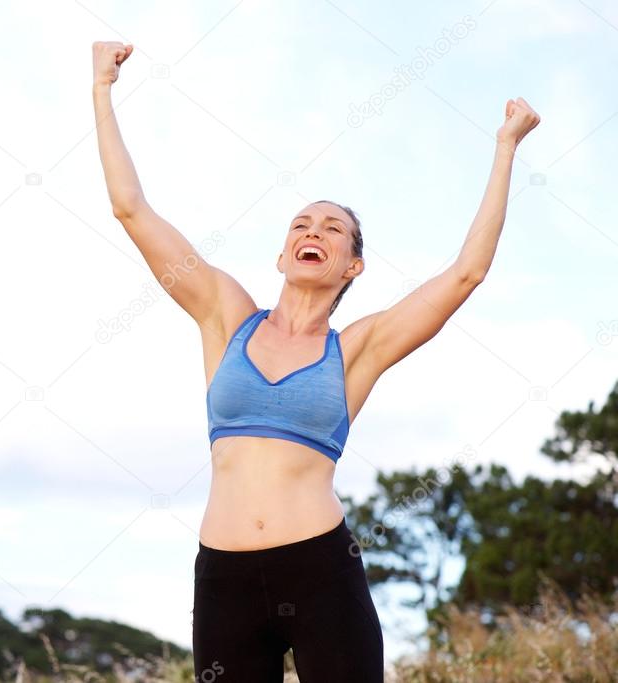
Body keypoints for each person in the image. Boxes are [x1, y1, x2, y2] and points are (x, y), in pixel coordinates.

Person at [91, 40, 540, 682]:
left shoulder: (356, 349)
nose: (312, 231)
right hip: (222, 578)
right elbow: (130, 209)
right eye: (301, 224)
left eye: (332, 229)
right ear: (281, 256)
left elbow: (466, 273)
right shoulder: (225, 316)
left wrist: (505, 148)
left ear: (352, 265)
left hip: (320, 571)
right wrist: (102, 90)